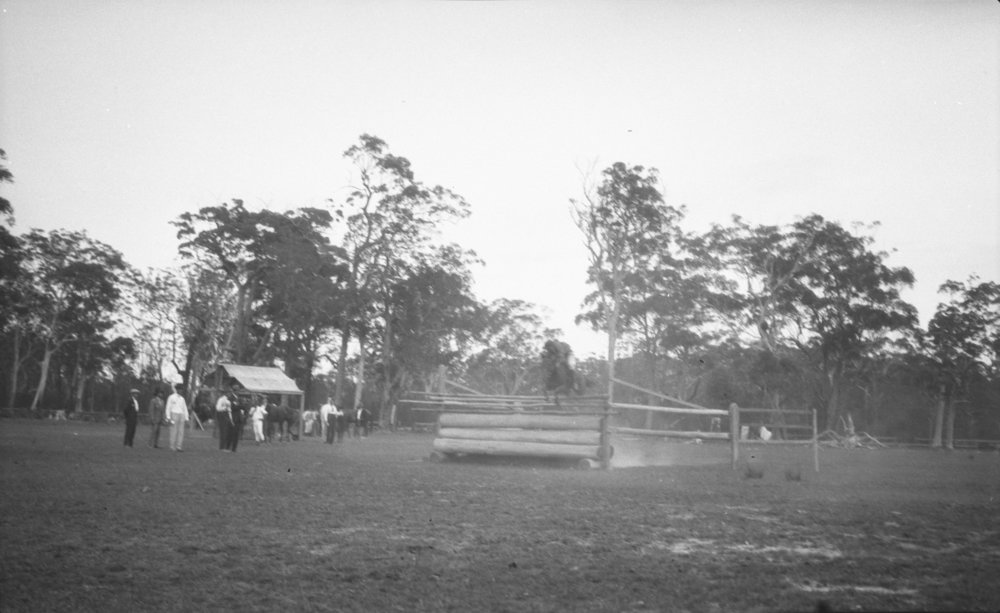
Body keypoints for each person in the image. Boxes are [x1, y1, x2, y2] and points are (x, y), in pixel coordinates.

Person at [165, 384, 189, 451]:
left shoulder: (182, 399)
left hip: (181, 415)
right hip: (174, 414)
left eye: (182, 390)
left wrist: (186, 418)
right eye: (180, 389)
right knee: (173, 431)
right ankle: (172, 446)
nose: (181, 391)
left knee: (181, 431)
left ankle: (179, 446)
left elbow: (185, 408)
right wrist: (168, 417)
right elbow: (168, 407)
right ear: (177, 389)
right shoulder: (171, 397)